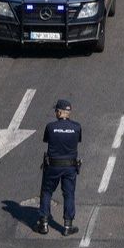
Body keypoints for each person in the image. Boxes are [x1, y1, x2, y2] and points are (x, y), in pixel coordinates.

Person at [36, 99, 82, 236]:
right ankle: (68, 226)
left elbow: (46, 140)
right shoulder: (77, 127)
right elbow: (77, 141)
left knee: (46, 192)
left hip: (53, 166)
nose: (55, 112)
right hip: (70, 167)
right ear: (69, 112)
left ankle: (44, 224)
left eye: (56, 110)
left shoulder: (50, 127)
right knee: (68, 194)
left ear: (60, 112)